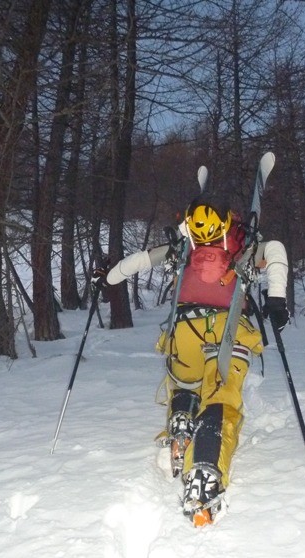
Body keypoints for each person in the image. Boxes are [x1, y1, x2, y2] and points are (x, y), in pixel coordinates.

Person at [93, 195, 289, 526]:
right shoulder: (242, 247)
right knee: (221, 401)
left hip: (183, 331)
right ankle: (205, 473)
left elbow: (138, 261)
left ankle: (181, 422)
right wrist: (277, 297)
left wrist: (106, 278)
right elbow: (277, 251)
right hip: (230, 332)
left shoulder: (183, 248)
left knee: (185, 384)